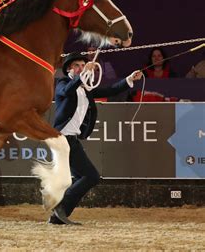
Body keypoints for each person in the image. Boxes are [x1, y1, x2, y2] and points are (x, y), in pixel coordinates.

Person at [49, 52, 142, 225]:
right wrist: (82, 76)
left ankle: (58, 217)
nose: (81, 68)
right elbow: (67, 92)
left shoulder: (86, 89)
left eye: (83, 66)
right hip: (62, 139)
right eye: (77, 65)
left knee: (82, 177)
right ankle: (60, 206)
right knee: (91, 176)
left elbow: (111, 90)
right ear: (69, 68)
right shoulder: (63, 83)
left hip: (71, 139)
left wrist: (129, 79)